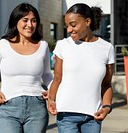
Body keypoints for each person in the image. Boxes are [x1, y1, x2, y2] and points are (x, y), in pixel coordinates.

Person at [0, 3, 53, 133]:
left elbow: (46, 74)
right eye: (25, 20)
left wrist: (52, 89)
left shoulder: (43, 46)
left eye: (34, 21)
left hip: (37, 107)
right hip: (8, 106)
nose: (30, 24)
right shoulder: (2, 44)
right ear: (16, 21)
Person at [48, 3, 115, 133]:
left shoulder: (107, 48)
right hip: (66, 115)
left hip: (93, 116)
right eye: (67, 26)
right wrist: (51, 100)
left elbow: (106, 84)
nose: (68, 30)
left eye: (73, 25)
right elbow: (57, 79)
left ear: (87, 21)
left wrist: (106, 107)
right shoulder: (63, 45)